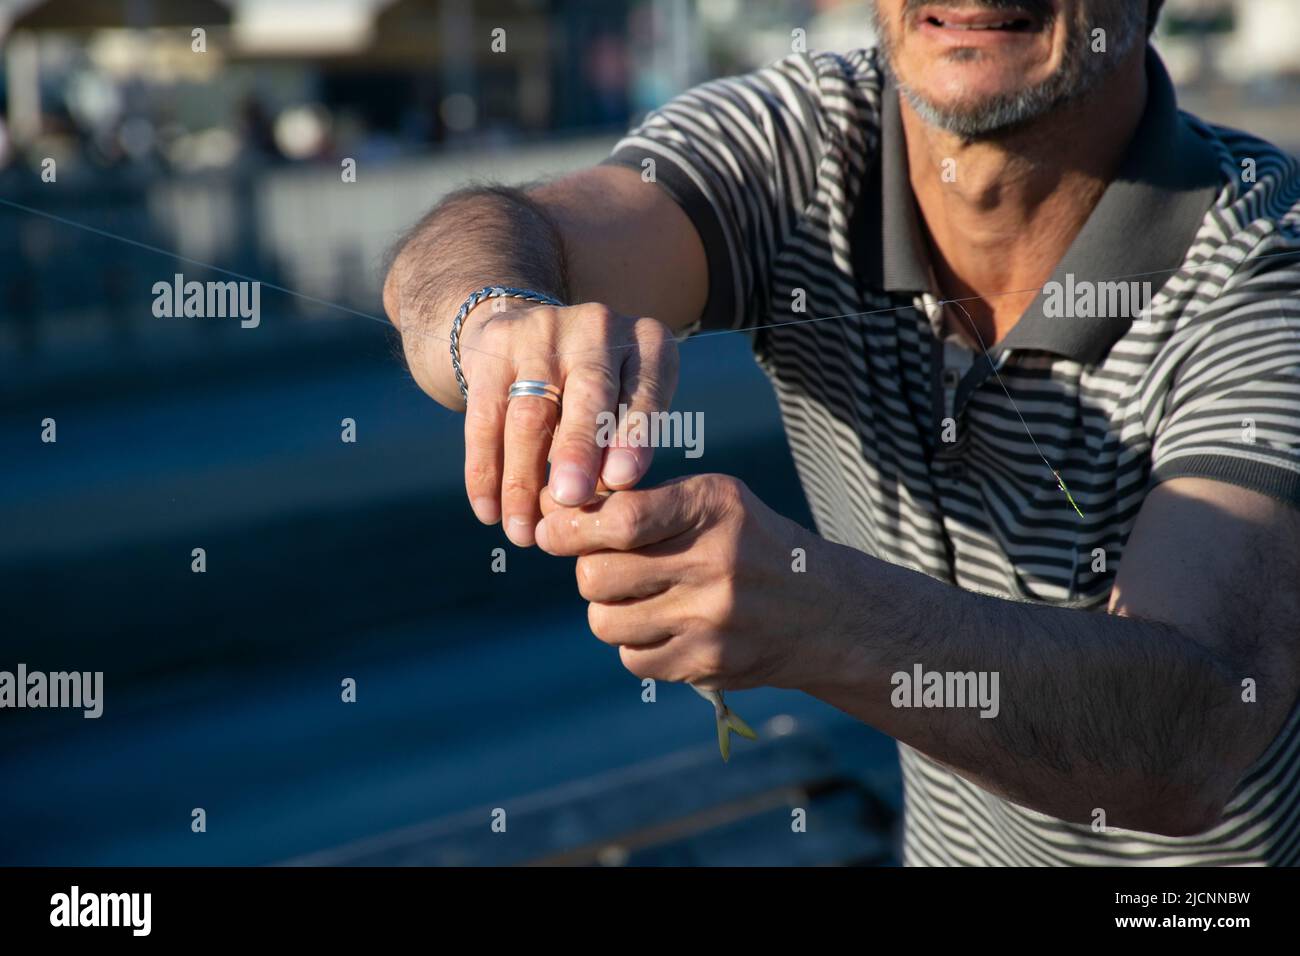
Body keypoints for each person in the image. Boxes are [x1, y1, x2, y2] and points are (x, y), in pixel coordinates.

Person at [382, 0, 1300, 865]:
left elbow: (1191, 735)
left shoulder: (1268, 262)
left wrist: (815, 615)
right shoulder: (812, 133)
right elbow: (498, 232)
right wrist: (501, 321)